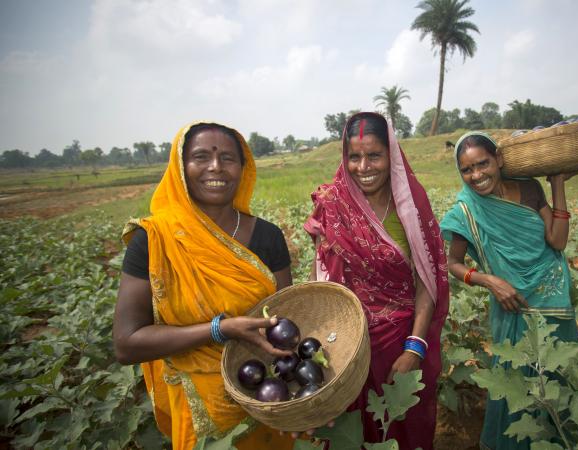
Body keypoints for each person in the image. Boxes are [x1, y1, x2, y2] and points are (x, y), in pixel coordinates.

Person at [113, 122, 295, 450]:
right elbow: (127, 344)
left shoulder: (268, 237)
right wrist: (220, 329)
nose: (215, 167)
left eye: (227, 158)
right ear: (181, 169)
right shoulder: (154, 241)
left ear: (243, 168)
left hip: (268, 398)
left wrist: (303, 397)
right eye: (200, 157)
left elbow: (287, 323)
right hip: (202, 414)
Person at [304, 112, 449, 449]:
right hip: (345, 346)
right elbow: (319, 279)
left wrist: (414, 347)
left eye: (374, 155)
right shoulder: (331, 205)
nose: (363, 166)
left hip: (399, 343)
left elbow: (426, 284)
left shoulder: (410, 208)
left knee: (402, 427)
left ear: (391, 155)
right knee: (349, 432)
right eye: (354, 156)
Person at [439, 132, 578, 450]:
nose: (476, 175)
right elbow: (453, 262)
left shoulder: (530, 188)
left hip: (552, 294)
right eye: (467, 170)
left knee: (555, 375)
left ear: (499, 160)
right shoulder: (466, 211)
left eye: (483, 164)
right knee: (517, 384)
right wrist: (490, 281)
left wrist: (557, 184)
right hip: (512, 303)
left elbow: (557, 241)